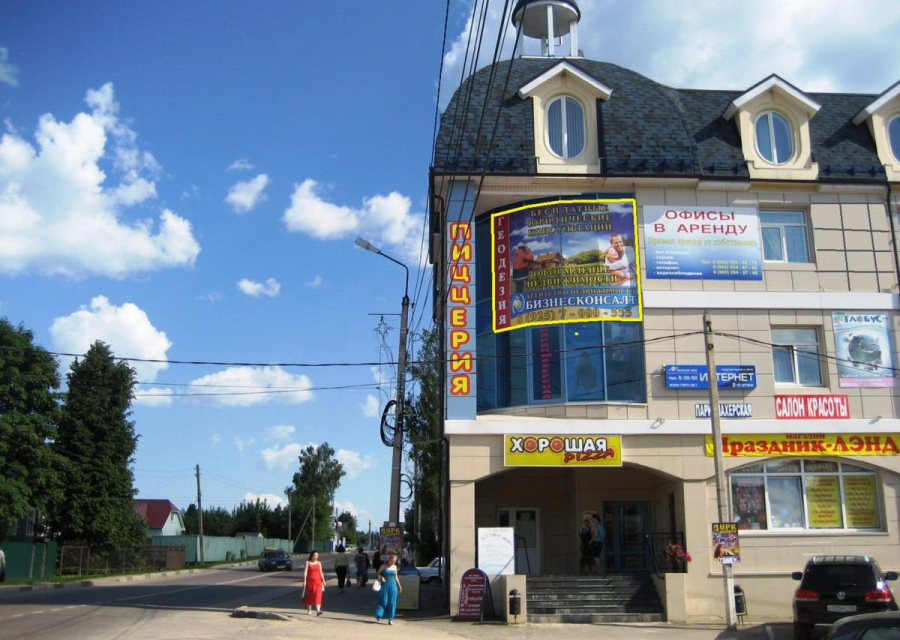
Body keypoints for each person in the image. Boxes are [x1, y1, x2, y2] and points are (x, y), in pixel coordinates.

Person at [375, 553, 402, 625]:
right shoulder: (383, 566)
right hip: (385, 585)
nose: (393, 562)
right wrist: (381, 577)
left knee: (392, 602)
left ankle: (390, 619)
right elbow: (377, 573)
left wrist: (399, 586)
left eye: (395, 561)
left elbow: (396, 577)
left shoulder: (395, 567)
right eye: (392, 561)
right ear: (389, 559)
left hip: (393, 586)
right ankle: (379, 614)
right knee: (384, 601)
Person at [302, 550, 326, 616]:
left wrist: (323, 581)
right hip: (310, 582)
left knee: (318, 595)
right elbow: (305, 572)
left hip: (318, 582)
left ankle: (318, 611)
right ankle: (309, 610)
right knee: (310, 596)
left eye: (317, 555)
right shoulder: (307, 562)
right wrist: (304, 581)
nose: (316, 556)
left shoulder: (319, 563)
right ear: (311, 555)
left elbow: (321, 572)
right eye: (315, 555)